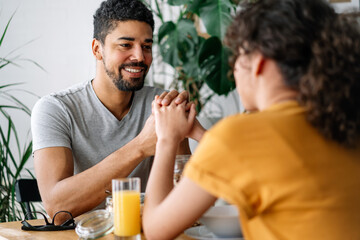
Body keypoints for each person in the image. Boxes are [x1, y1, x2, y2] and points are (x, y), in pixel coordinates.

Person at [142, 0, 360, 239]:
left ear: (257, 63)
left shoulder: (241, 133)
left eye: (236, 57)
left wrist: (166, 139)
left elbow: (155, 230)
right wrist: (198, 133)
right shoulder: (343, 120)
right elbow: (259, 158)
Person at [31, 0, 190, 221]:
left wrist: (182, 134)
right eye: (126, 45)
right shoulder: (55, 109)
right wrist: (141, 146)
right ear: (97, 49)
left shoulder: (161, 105)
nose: (140, 57)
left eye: (146, 46)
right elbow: (58, 209)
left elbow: (184, 200)